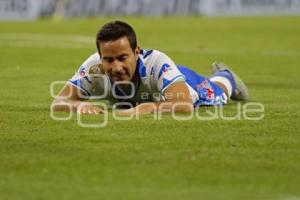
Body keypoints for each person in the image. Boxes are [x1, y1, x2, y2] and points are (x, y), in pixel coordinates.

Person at [51, 20, 249, 116]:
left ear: (137, 51)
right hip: (160, 84)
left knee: (218, 95)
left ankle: (226, 76)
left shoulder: (158, 62)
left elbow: (184, 106)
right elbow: (59, 101)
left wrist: (148, 107)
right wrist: (80, 105)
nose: (116, 67)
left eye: (122, 58)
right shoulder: (94, 67)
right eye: (109, 60)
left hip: (185, 84)